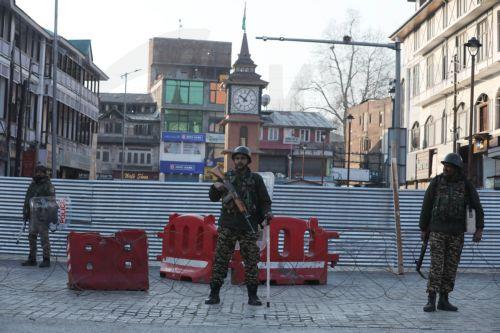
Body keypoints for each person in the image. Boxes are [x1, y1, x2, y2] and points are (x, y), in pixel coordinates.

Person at [205, 146, 272, 306]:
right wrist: (215, 187)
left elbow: (264, 201)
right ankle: (214, 294)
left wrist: (267, 213)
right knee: (221, 260)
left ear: (248, 160)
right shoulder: (226, 177)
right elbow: (213, 197)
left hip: (248, 225)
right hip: (228, 224)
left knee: (251, 261)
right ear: (233, 160)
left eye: (243, 158)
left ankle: (252, 296)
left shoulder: (255, 179)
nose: (239, 161)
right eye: (237, 158)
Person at [419, 153, 484, 312]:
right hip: (437, 231)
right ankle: (431, 299)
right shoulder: (436, 182)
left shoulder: (466, 185)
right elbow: (426, 205)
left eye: (448, 166)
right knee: (436, 266)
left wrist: (479, 229)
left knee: (450, 266)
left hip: (456, 233)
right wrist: (423, 228)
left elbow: (477, 206)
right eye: (444, 165)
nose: (445, 168)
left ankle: (444, 299)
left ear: (456, 168)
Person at [21, 165, 56, 268]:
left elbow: (51, 200)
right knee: (31, 237)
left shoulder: (48, 185)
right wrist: (25, 212)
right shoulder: (32, 185)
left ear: (45, 174)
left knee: (44, 238)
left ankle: (46, 259)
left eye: (40, 172)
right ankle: (32, 259)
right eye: (37, 172)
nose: (38, 174)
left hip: (42, 216)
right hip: (32, 214)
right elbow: (27, 199)